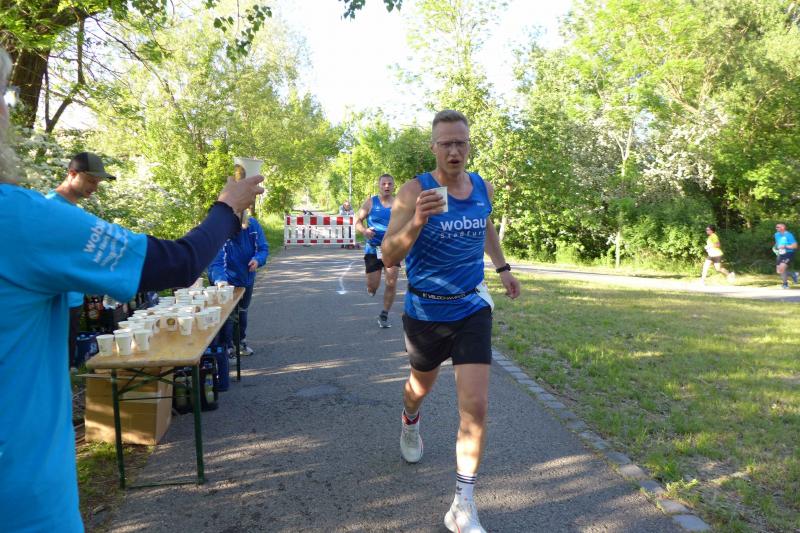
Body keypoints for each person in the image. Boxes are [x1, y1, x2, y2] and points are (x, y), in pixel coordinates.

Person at [0, 47, 265, 533]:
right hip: (24, 504)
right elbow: (179, 262)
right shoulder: (19, 217)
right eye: (3, 97)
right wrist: (228, 207)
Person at [382, 110, 521, 533]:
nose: (455, 151)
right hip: (426, 312)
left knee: (475, 407)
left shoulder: (482, 187)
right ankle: (410, 420)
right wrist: (417, 221)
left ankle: (463, 504)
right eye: (446, 144)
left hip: (471, 308)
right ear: (434, 148)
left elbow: (485, 225)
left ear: (468, 145)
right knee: (419, 389)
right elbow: (388, 255)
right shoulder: (414, 191)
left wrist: (502, 268)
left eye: (461, 142)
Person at [46, 152, 117, 371]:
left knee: (65, 365)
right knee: (52, 365)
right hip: (54, 303)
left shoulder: (72, 210)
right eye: (90, 180)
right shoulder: (50, 208)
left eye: (97, 182)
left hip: (73, 301)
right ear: (72, 173)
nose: (95, 187)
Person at [208, 215, 269, 356]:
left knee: (242, 311)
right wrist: (220, 280)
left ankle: (240, 342)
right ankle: (227, 348)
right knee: (228, 315)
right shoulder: (219, 230)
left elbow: (263, 248)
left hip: (246, 278)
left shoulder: (253, 226)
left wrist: (257, 260)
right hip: (226, 281)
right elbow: (216, 262)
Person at [355, 174, 400, 328]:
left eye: (389, 184)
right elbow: (357, 221)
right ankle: (371, 289)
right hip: (373, 249)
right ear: (379, 186)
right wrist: (364, 231)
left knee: (391, 282)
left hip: (392, 249)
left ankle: (384, 315)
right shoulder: (370, 202)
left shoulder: (399, 203)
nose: (387, 186)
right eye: (384, 184)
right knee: (372, 286)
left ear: (393, 186)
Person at [774, 223, 799, 289]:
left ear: (783, 227)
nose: (776, 228)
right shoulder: (776, 234)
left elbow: (795, 246)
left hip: (789, 253)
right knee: (778, 271)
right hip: (780, 253)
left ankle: (785, 284)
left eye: (778, 227)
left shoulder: (789, 235)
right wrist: (776, 247)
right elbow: (777, 243)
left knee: (782, 268)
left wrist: (785, 246)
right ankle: (793, 275)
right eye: (776, 227)